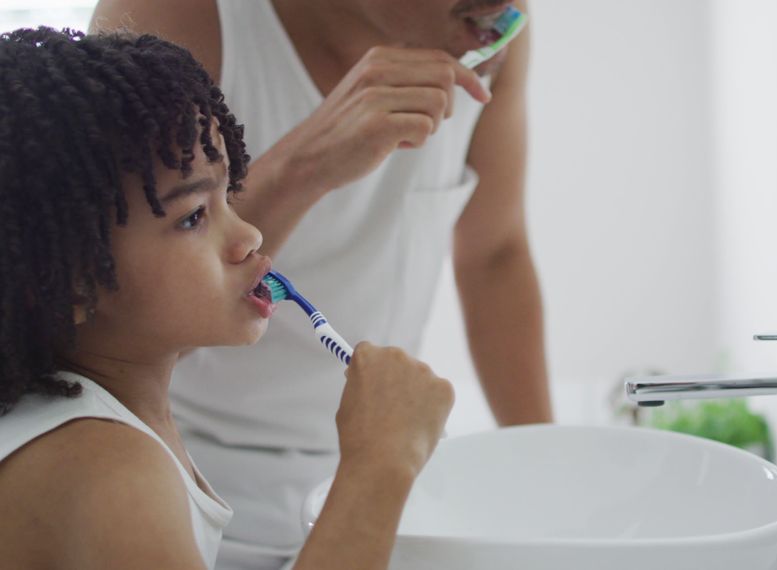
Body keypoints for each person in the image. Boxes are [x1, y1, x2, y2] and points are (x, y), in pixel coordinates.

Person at [89, 1, 553, 566]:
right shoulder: (167, 19)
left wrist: (544, 474)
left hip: (387, 470)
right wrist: (304, 165)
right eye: (197, 215)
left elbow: (494, 256)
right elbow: (109, 306)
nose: (509, 5)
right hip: (199, 483)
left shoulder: (490, 32)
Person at [0, 27, 452, 570]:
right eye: (193, 216)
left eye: (228, 194)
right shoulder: (109, 469)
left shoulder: (99, 428)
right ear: (70, 280)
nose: (249, 237)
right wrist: (380, 463)